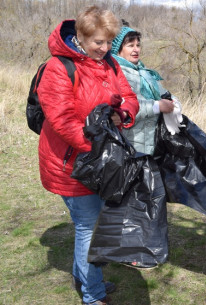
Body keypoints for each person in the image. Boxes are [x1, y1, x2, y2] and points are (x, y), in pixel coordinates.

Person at [37, 6, 139, 305]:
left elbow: (128, 98)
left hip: (101, 160)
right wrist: (99, 141)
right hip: (71, 163)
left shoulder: (109, 64)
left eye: (108, 42)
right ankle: (93, 295)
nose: (105, 48)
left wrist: (123, 115)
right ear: (80, 36)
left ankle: (86, 279)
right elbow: (63, 121)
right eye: (98, 42)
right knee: (89, 229)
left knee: (91, 226)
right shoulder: (58, 67)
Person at [111, 23, 181, 156]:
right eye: (130, 46)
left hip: (151, 142)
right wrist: (157, 106)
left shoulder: (143, 73)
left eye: (138, 45)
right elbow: (125, 109)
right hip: (129, 144)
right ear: (118, 49)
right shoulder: (116, 73)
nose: (136, 49)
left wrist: (173, 101)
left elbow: (163, 93)